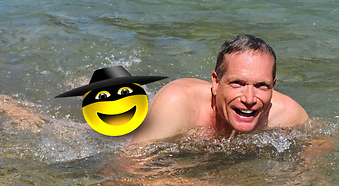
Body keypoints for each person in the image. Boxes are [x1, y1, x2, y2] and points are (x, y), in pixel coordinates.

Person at [123, 33, 309, 145]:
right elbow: (131, 168)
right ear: (215, 82)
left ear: (273, 86)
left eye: (262, 85)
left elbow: (320, 147)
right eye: (238, 83)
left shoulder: (288, 114)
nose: (250, 98)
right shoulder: (178, 103)